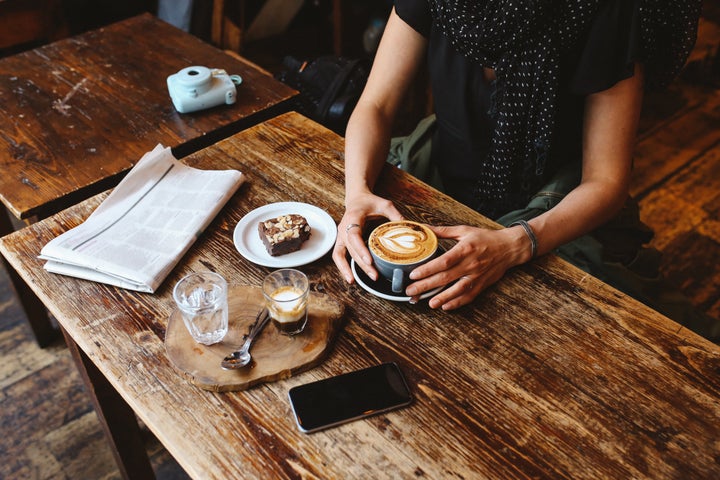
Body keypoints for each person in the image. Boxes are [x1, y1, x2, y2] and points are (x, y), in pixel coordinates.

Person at [331, 0, 719, 342]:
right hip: (439, 182)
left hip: (554, 215)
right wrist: (358, 194)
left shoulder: (604, 9)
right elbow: (376, 106)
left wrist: (514, 244)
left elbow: (607, 181)